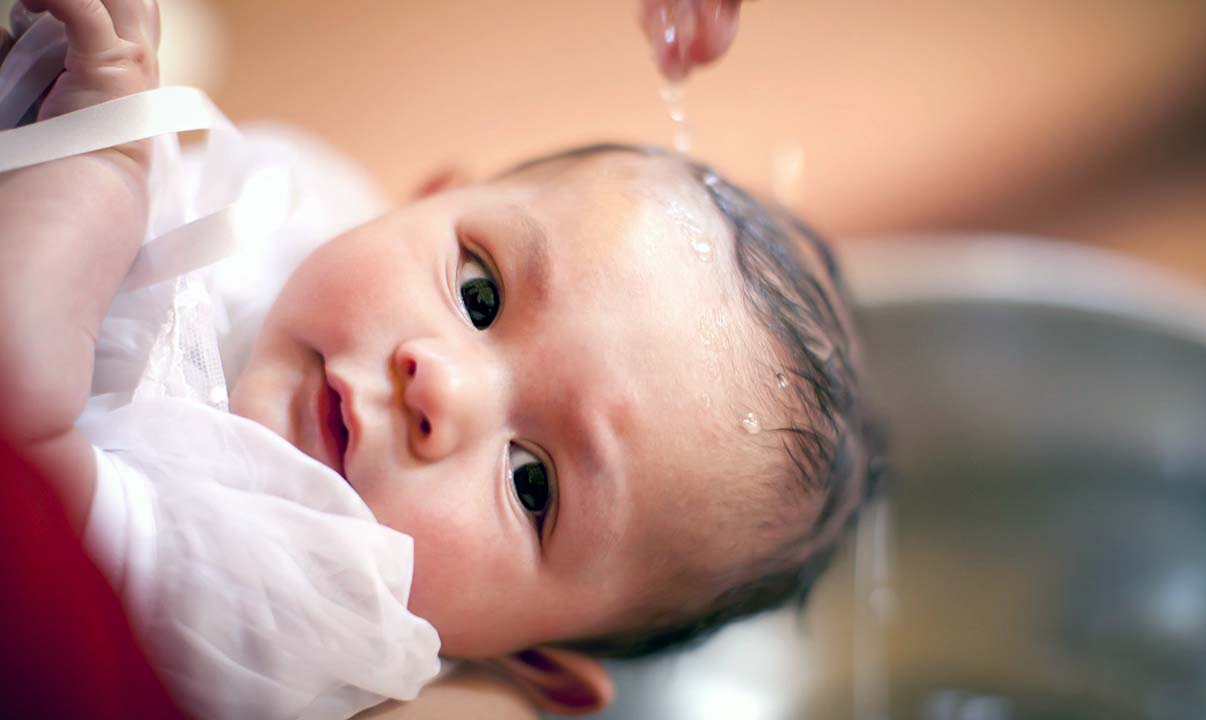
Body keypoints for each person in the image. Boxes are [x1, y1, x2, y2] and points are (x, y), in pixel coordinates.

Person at [0, 0, 877, 717]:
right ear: (426, 197)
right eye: (479, 294)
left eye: (531, 484)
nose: (440, 386)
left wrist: (100, 160)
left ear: (527, 663)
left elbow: (24, 453)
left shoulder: (295, 605)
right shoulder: (311, 207)